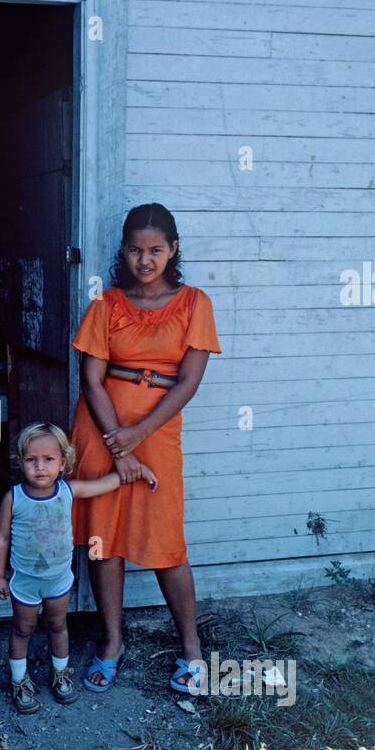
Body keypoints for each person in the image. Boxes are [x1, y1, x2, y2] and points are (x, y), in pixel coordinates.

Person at [69, 203, 222, 694]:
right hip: (101, 427)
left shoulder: (195, 303)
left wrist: (137, 437)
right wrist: (119, 446)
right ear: (124, 252)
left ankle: (193, 653)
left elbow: (188, 383)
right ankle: (111, 644)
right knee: (103, 539)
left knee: (165, 543)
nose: (145, 260)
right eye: (135, 250)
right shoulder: (106, 306)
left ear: (173, 250)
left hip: (156, 431)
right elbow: (90, 379)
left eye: (156, 250)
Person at [0, 422, 157, 713]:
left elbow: (105, 483)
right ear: (21, 463)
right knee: (22, 628)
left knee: (58, 625)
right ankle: (19, 681)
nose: (40, 467)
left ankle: (60, 675)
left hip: (58, 580)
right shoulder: (14, 497)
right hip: (25, 581)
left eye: (48, 460)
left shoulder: (68, 490)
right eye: (31, 460)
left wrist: (138, 471)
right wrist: (0, 577)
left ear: (63, 463)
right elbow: (2, 538)